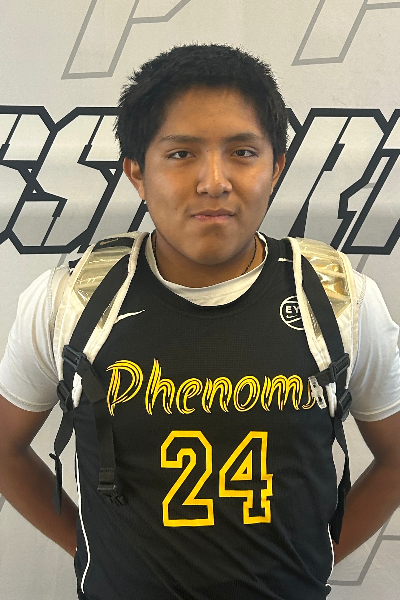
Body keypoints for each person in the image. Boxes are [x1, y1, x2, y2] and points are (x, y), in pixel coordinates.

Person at [0, 44, 400, 600]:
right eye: (182, 153)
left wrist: (319, 558)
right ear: (137, 173)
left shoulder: (338, 298)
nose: (214, 181)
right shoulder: (70, 299)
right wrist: (89, 548)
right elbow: (4, 448)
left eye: (242, 152)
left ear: (276, 167)